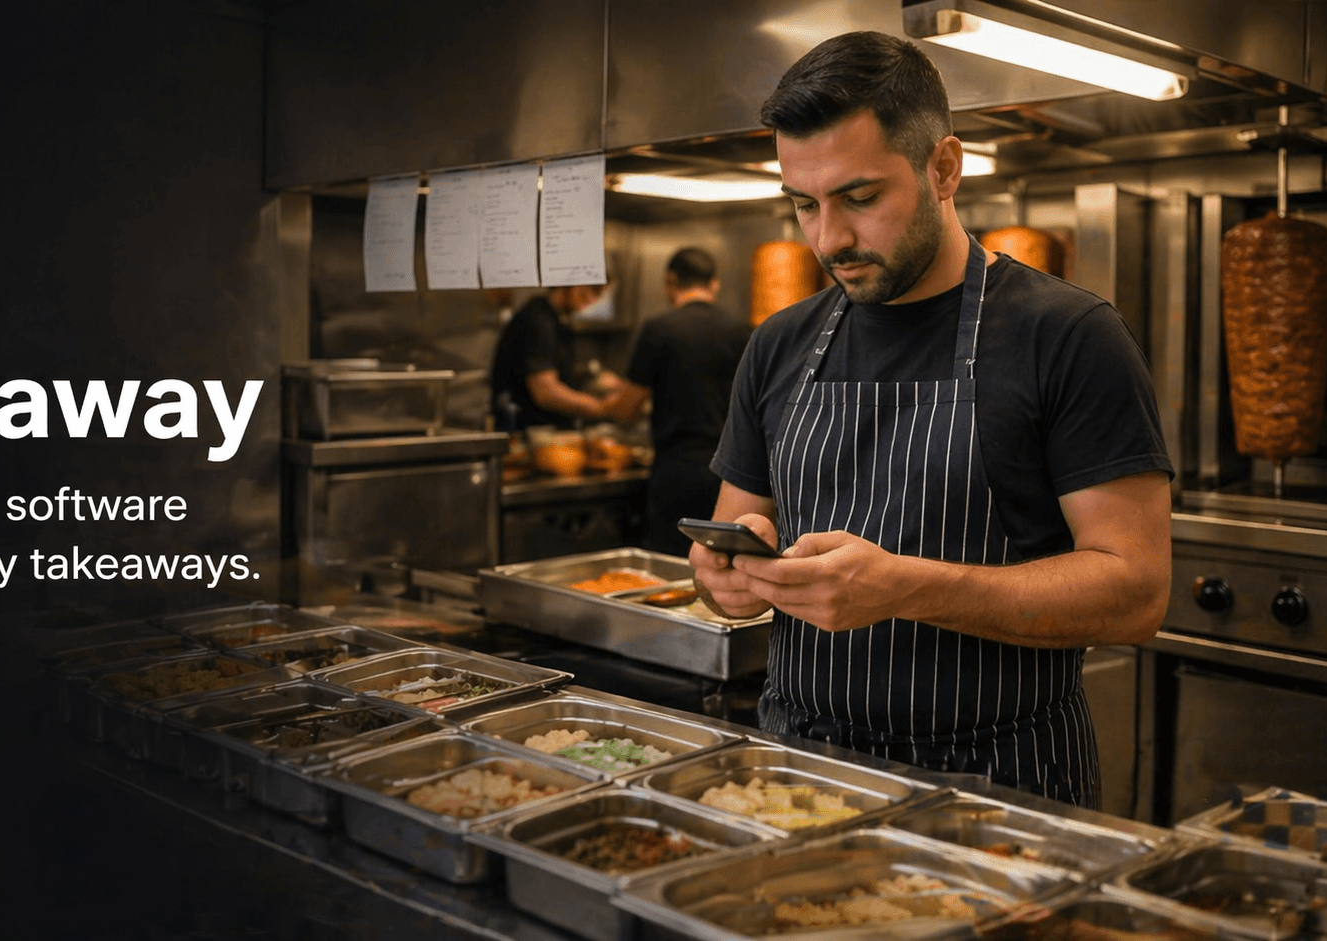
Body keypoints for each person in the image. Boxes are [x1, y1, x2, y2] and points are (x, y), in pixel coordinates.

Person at [689, 31, 1172, 808]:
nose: (828, 239)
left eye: (859, 197)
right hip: (799, 776)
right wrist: (724, 580)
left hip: (999, 786)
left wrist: (906, 588)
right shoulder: (780, 342)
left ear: (944, 167)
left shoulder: (1070, 335)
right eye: (803, 205)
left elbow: (1135, 592)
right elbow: (726, 550)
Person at [603, 248, 751, 556]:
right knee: (723, 567)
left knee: (670, 567)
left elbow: (626, 410)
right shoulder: (744, 331)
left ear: (670, 281)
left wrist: (599, 403)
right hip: (734, 475)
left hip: (678, 472)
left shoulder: (659, 329)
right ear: (714, 284)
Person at [489, 283, 616, 430]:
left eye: (599, 293)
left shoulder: (555, 318)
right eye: (592, 290)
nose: (594, 299)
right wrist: (603, 408)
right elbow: (546, 392)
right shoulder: (539, 321)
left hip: (542, 429)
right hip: (528, 432)